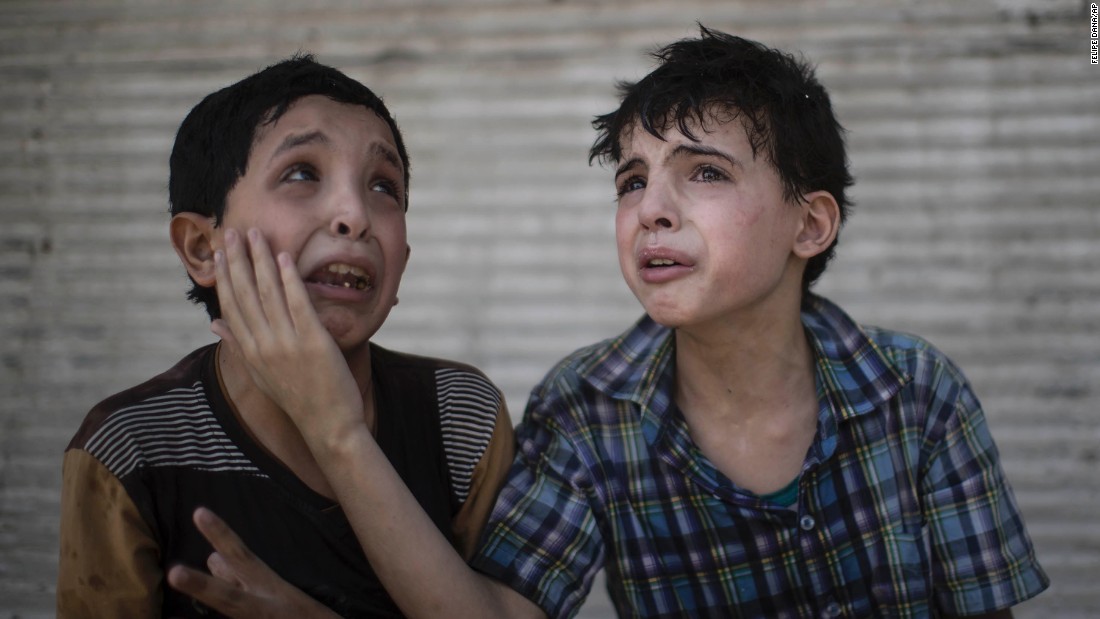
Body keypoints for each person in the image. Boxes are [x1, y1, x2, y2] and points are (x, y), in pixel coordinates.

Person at [169, 27, 1049, 618]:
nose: (652, 210)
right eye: (632, 181)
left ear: (808, 224)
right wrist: (334, 424)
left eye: (703, 173)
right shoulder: (587, 410)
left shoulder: (917, 392)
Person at [56, 55, 515, 618]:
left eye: (383, 186)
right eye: (303, 173)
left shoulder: (460, 418)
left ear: (401, 265)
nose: (355, 214)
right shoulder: (130, 449)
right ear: (203, 247)